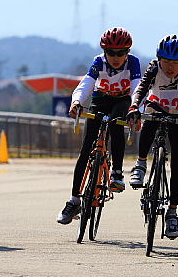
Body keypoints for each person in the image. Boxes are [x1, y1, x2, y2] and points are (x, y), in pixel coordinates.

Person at [57, 27, 141, 225]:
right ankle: (74, 200)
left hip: (122, 100)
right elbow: (87, 83)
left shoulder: (133, 63)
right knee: (86, 149)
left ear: (127, 52)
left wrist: (136, 108)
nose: (115, 57)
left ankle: (117, 173)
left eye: (120, 53)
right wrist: (76, 102)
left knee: (115, 123)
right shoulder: (99, 62)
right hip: (100, 99)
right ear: (104, 52)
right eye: (111, 52)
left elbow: (138, 87)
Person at [126, 35, 178, 239]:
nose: (169, 67)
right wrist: (134, 107)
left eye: (175, 63)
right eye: (166, 62)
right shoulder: (153, 66)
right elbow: (141, 89)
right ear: (159, 59)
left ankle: (172, 213)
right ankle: (141, 164)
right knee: (149, 121)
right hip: (156, 107)